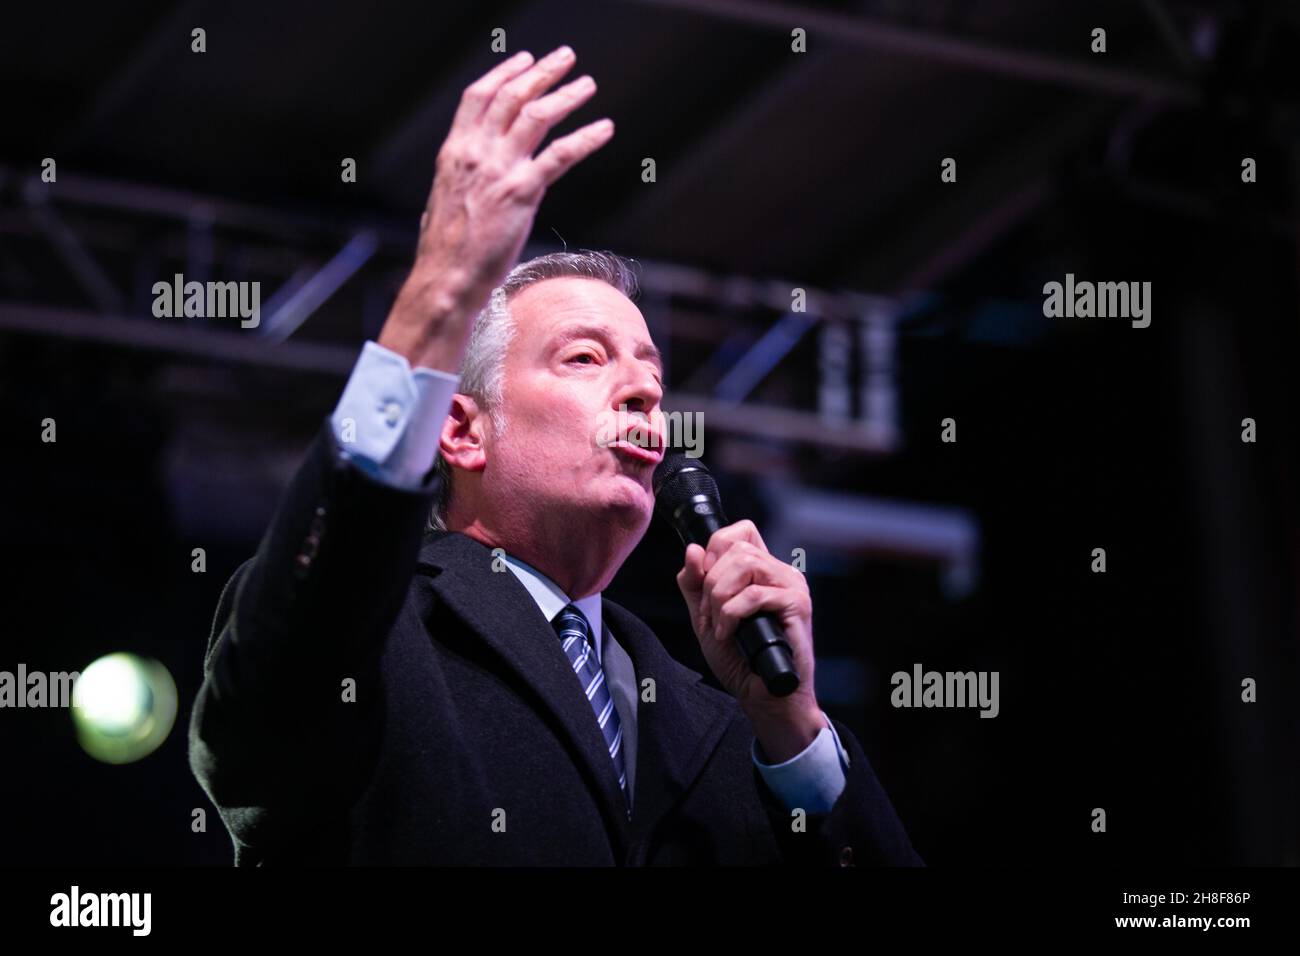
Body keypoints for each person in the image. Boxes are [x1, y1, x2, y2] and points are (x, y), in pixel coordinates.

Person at [188, 45, 923, 866]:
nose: (646, 394)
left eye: (652, 373)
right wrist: (441, 288)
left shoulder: (720, 723)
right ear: (461, 431)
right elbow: (289, 652)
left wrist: (793, 731)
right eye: (585, 358)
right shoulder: (378, 638)